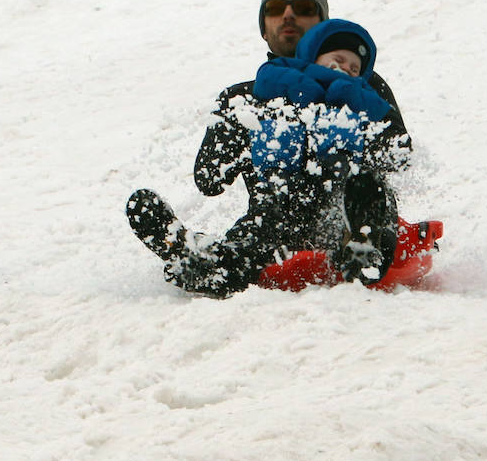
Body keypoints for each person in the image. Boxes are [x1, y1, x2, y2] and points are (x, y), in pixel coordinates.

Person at [127, 19, 403, 297]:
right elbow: (209, 179)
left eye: (354, 68)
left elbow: (397, 154)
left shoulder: (367, 99)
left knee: (368, 186)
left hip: (339, 208)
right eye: (338, 59)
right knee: (257, 232)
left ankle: (363, 244)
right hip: (278, 206)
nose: (345, 68)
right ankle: (200, 257)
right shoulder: (265, 92)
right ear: (312, 55)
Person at [193, 0, 411, 201]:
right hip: (273, 225)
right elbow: (209, 179)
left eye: (303, 7)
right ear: (264, 30)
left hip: (360, 222)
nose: (288, 14)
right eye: (275, 8)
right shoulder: (242, 98)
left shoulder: (360, 83)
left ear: (322, 25)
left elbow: (398, 156)